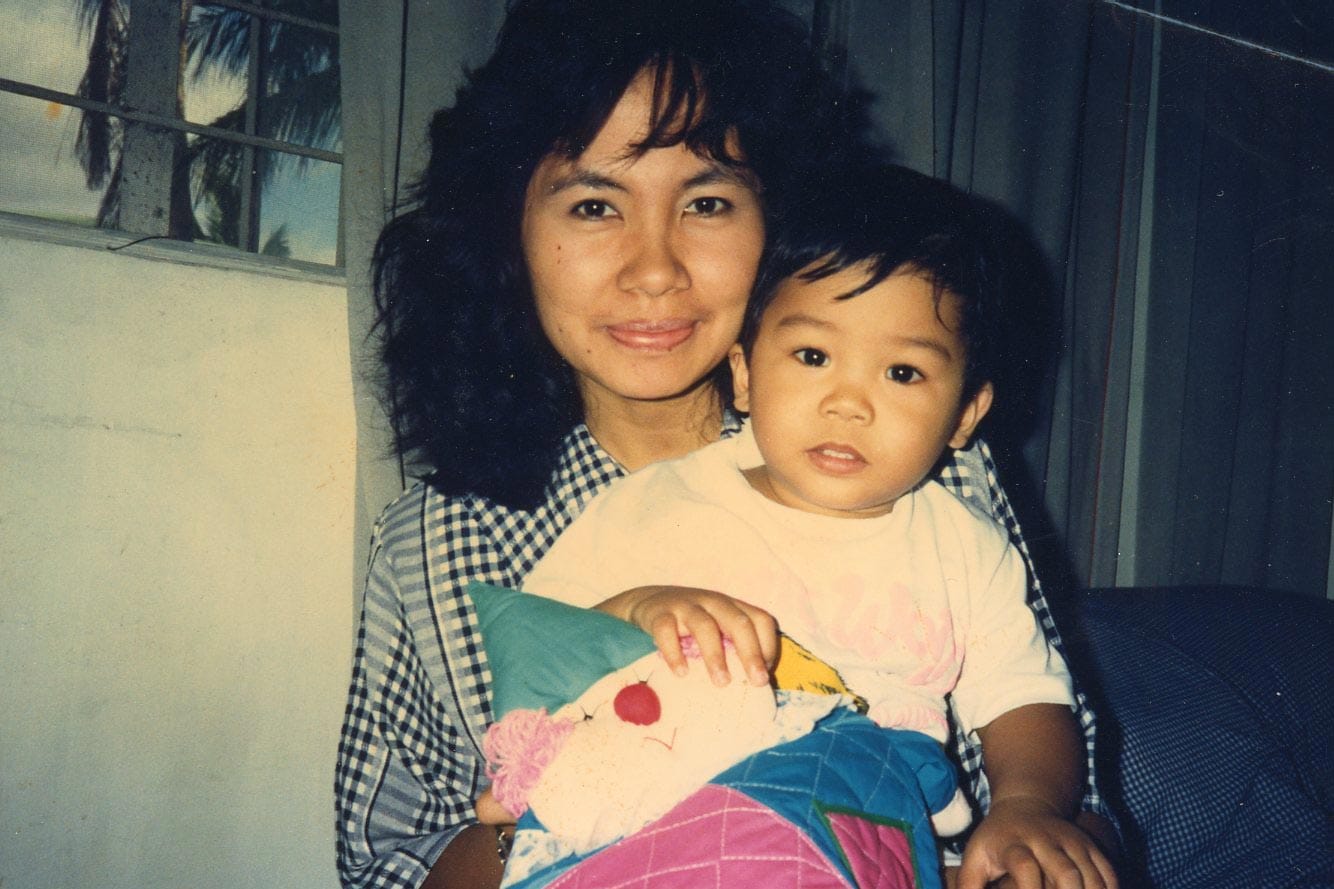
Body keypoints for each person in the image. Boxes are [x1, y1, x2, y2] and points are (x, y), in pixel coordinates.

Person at [332, 2, 1115, 887]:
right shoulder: (434, 544)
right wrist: (566, 807)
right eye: (594, 204)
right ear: (505, 230)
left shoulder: (918, 465)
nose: (655, 268)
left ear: (777, 223)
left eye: (706, 201)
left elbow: (1061, 776)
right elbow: (393, 863)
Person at [522, 164, 1117, 888]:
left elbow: (1026, 697)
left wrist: (1025, 805)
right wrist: (633, 608)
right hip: (672, 833)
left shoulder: (965, 546)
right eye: (812, 356)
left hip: (882, 842)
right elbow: (531, 658)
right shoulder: (651, 505)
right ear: (743, 374)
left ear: (966, 414)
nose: (848, 402)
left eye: (902, 373)